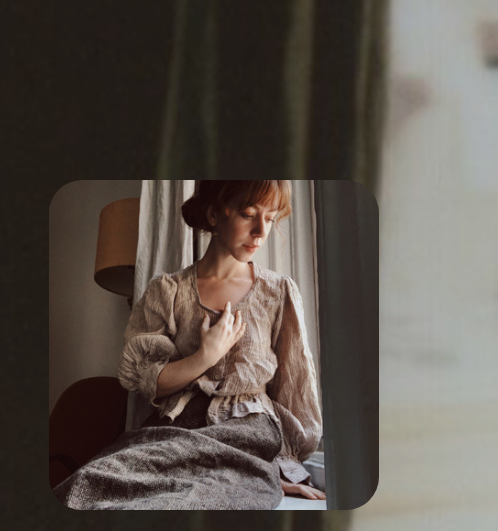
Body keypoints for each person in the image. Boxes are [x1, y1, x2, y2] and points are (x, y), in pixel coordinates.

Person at [55, 179, 325, 509]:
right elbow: (146, 381)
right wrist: (205, 356)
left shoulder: (278, 291)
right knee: (87, 483)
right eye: (248, 214)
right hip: (174, 429)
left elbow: (294, 389)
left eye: (269, 219)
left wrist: (283, 468)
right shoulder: (167, 291)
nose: (260, 232)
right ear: (214, 214)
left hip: (246, 432)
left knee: (189, 501)